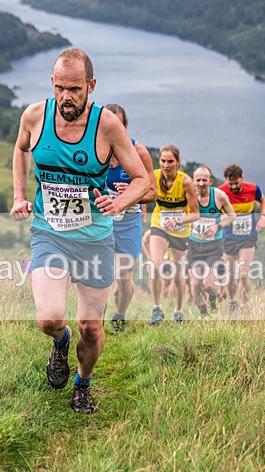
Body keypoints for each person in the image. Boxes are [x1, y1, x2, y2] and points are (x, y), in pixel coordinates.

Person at [10, 48, 152, 414]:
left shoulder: (107, 125)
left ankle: (83, 384)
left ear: (90, 85)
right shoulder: (35, 115)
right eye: (59, 88)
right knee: (48, 319)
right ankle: (60, 343)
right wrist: (20, 195)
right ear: (52, 84)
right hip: (49, 232)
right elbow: (22, 149)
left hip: (94, 240)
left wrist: (119, 203)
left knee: (91, 327)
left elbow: (141, 180)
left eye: (74, 89)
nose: (66, 97)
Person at [103, 103, 156, 334]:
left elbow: (153, 193)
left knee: (123, 278)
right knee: (100, 274)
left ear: (125, 126)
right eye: (108, 124)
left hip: (129, 221)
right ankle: (93, 323)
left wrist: (132, 193)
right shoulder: (96, 150)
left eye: (118, 124)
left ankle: (119, 316)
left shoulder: (139, 152)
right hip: (102, 220)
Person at [147, 144, 199, 324]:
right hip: (159, 226)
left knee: (178, 277)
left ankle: (178, 311)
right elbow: (142, 193)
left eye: (170, 161)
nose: (166, 165)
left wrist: (177, 220)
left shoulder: (185, 182)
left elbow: (195, 213)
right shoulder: (154, 176)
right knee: (154, 267)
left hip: (180, 230)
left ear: (178, 163)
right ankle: (156, 308)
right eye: (163, 161)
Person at [218, 163, 265, 312]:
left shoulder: (253, 189)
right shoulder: (221, 192)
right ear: (226, 181)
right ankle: (233, 302)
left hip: (248, 237)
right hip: (229, 237)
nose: (233, 187)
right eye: (230, 183)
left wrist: (263, 216)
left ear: (242, 178)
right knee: (231, 275)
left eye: (236, 183)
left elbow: (262, 200)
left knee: (243, 273)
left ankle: (245, 306)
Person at [188, 165, 235, 317]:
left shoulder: (219, 196)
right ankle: (203, 313)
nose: (201, 183)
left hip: (213, 245)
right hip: (194, 245)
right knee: (195, 284)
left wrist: (217, 226)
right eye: (198, 180)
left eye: (204, 180)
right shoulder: (188, 196)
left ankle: (213, 302)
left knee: (208, 284)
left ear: (210, 181)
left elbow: (232, 215)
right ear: (193, 181)